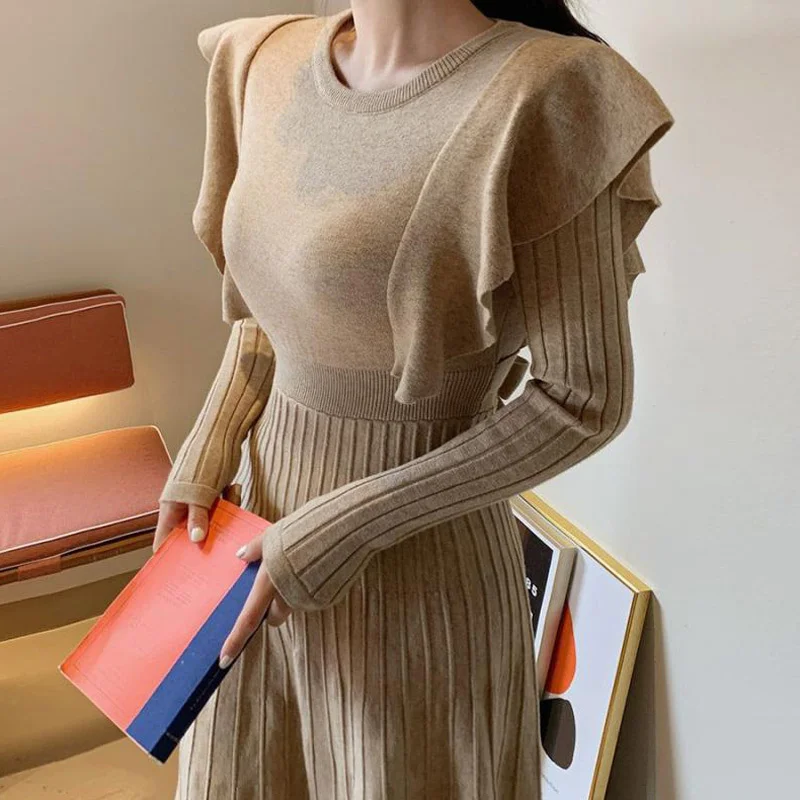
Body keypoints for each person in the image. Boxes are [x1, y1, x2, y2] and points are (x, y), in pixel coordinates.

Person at [154, 1, 674, 797]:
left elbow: (582, 399)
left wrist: (346, 528)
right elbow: (270, 308)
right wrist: (209, 444)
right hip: (248, 552)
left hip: (418, 590)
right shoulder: (260, 58)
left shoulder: (545, 96)